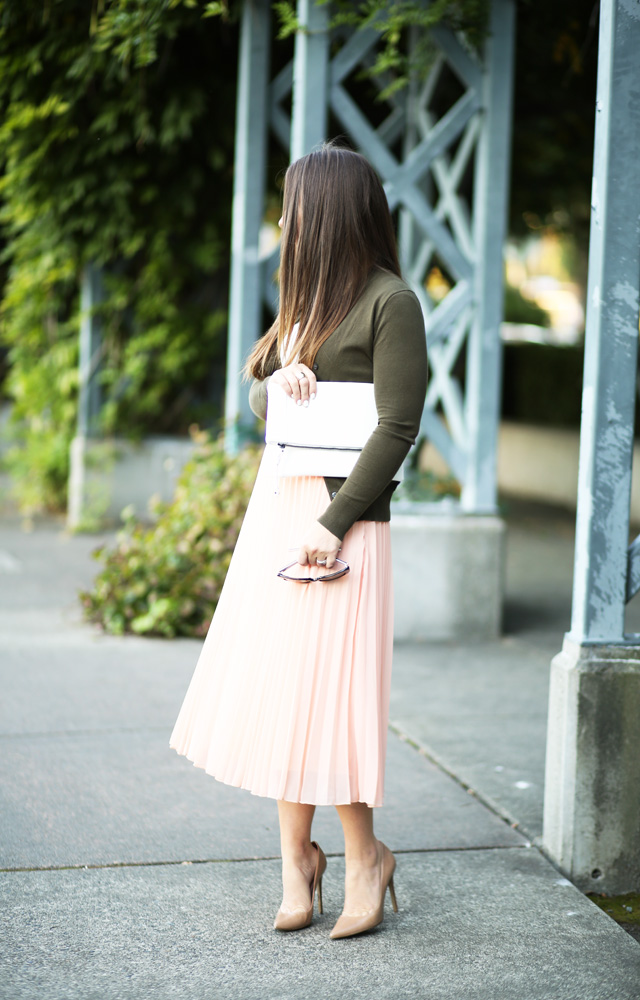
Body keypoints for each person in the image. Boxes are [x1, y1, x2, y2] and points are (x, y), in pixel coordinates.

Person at [170, 144, 428, 939]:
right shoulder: (303, 303)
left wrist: (333, 521)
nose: (285, 221)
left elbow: (398, 425)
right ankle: (296, 866)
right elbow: (255, 391)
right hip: (281, 512)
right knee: (286, 692)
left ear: (325, 212)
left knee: (340, 698)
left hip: (343, 520)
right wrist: (272, 386)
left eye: (293, 206)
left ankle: (365, 860)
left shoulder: (394, 302)